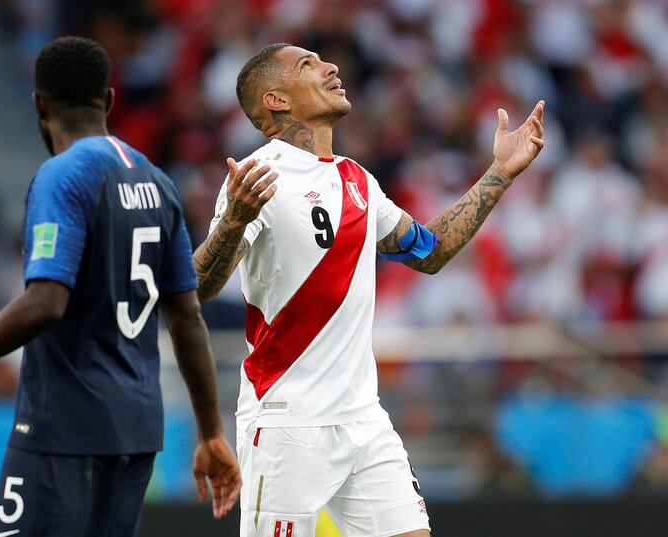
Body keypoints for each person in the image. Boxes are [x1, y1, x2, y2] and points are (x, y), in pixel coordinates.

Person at [0, 36, 240, 537]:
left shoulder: (63, 176)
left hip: (64, 428)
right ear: (110, 100)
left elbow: (48, 302)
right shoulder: (158, 182)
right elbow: (186, 317)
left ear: (38, 104)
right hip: (137, 432)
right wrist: (211, 432)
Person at [193, 43, 546, 537]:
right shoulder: (259, 175)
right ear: (276, 100)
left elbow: (430, 251)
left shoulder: (357, 178)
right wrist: (232, 222)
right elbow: (199, 287)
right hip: (288, 423)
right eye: (308, 65)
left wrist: (499, 174)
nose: (331, 67)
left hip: (363, 419)